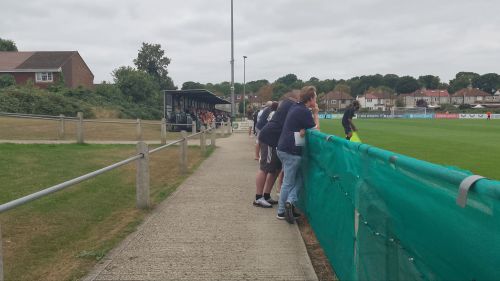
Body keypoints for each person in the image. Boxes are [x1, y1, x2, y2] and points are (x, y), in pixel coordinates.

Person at [276, 86, 319, 223]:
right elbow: (316, 131)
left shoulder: (296, 107)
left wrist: (303, 128)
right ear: (311, 99)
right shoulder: (304, 111)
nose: (316, 100)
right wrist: (316, 113)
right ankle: (282, 211)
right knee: (288, 182)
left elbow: (301, 126)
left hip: (283, 148)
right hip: (291, 152)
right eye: (315, 97)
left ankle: (289, 202)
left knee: (299, 179)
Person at [253, 92, 300, 208]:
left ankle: (267, 195)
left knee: (275, 169)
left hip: (276, 140)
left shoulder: (289, 104)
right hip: (269, 138)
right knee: (265, 168)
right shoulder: (291, 103)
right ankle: (258, 198)